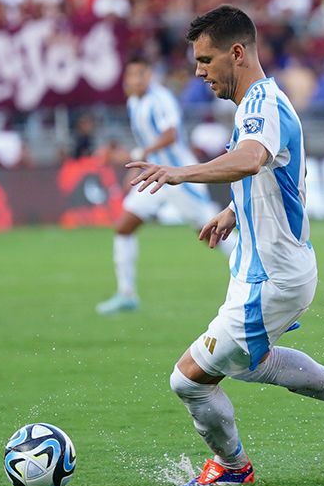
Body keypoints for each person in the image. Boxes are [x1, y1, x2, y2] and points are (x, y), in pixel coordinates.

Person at [126, 5, 324, 486]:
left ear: (237, 52)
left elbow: (250, 159)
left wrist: (179, 171)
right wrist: (233, 213)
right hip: (269, 268)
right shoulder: (262, 103)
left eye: (206, 60)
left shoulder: (261, 105)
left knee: (188, 380)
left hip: (271, 276)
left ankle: (233, 468)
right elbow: (281, 170)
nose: (198, 71)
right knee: (253, 364)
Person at [95, 59, 231, 315]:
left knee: (211, 231)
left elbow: (171, 135)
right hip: (155, 175)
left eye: (139, 74)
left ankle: (256, 271)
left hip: (179, 177)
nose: (134, 80)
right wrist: (140, 165)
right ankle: (127, 295)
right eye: (130, 75)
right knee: (124, 226)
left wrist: (142, 152)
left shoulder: (161, 99)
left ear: (149, 76)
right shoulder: (134, 102)